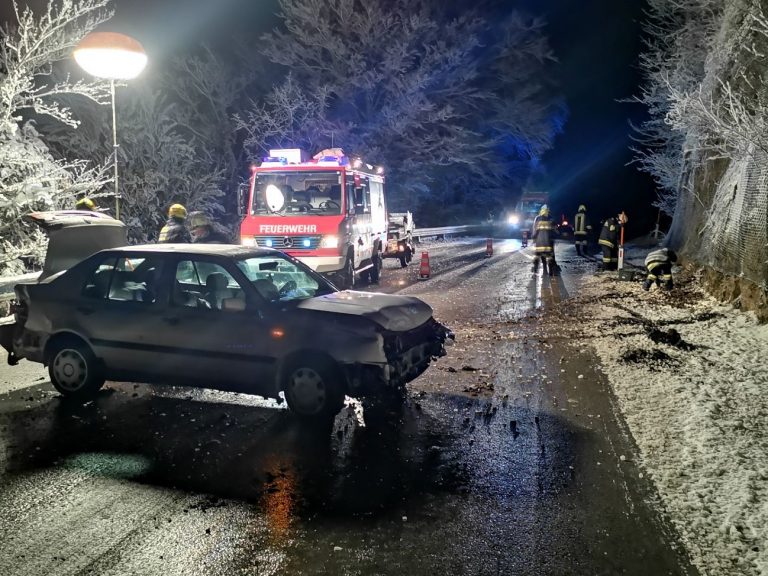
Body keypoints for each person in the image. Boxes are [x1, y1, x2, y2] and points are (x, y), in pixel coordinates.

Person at [531, 204, 558, 276]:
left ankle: (535, 270)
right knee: (550, 256)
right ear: (547, 211)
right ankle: (551, 271)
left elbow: (535, 229)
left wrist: (534, 238)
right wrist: (554, 238)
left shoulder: (537, 218)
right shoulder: (550, 218)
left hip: (539, 242)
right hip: (548, 242)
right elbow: (555, 229)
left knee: (537, 255)